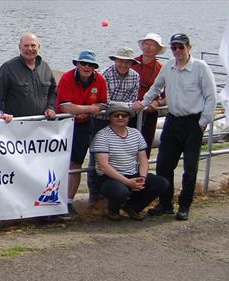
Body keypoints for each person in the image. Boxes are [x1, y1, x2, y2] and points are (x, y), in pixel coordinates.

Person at [135, 33, 216, 221]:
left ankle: (185, 206)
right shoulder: (168, 67)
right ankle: (165, 204)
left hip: (193, 123)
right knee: (164, 165)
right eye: (174, 47)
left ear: (189, 47)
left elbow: (211, 97)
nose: (178, 51)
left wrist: (203, 122)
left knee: (190, 168)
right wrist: (143, 103)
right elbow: (155, 88)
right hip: (172, 121)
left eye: (181, 46)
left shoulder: (200, 68)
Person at [90, 103, 168, 221]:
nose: (120, 118)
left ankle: (132, 207)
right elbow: (104, 166)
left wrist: (142, 177)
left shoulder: (136, 133)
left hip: (133, 173)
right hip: (109, 177)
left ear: (129, 117)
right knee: (121, 191)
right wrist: (127, 182)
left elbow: (143, 160)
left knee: (162, 183)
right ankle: (112, 209)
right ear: (110, 117)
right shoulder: (102, 136)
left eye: (124, 115)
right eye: (117, 115)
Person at [56, 50, 108, 215]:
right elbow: (65, 107)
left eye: (91, 64)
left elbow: (103, 104)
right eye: (83, 63)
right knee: (57, 163)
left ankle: (69, 202)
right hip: (63, 123)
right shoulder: (66, 77)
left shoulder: (100, 80)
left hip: (85, 125)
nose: (87, 67)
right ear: (77, 64)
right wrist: (89, 109)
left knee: (76, 163)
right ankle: (53, 199)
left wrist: (85, 110)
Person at [87, 47, 142, 204]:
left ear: (132, 63)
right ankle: (94, 195)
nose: (123, 65)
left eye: (127, 62)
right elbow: (104, 101)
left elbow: (134, 100)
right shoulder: (104, 75)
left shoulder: (135, 77)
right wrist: (126, 107)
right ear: (115, 61)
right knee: (96, 157)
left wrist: (123, 108)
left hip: (122, 120)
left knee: (122, 154)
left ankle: (116, 191)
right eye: (120, 61)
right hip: (102, 119)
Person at [0, 32, 57, 119]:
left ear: (38, 47)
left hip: (42, 124)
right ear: (20, 47)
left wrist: (51, 108)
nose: (30, 49)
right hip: (15, 125)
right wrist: (1, 115)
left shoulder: (45, 67)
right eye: (26, 45)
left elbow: (53, 92)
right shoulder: (8, 68)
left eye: (33, 45)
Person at [132, 33, 167, 158]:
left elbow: (168, 95)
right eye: (146, 44)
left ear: (158, 49)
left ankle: (142, 174)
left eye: (152, 45)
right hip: (130, 110)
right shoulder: (131, 63)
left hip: (150, 112)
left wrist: (157, 102)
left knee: (145, 145)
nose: (148, 47)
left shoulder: (162, 69)